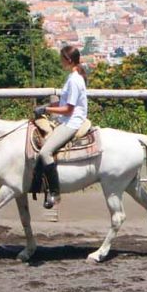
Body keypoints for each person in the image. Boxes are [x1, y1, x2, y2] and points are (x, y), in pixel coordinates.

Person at [32, 45, 88, 209]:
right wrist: (46, 105)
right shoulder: (72, 77)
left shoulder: (75, 80)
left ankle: (55, 193)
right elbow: (63, 102)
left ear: (68, 60)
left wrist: (47, 109)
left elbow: (69, 109)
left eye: (61, 59)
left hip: (72, 121)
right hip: (66, 119)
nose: (60, 62)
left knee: (45, 151)